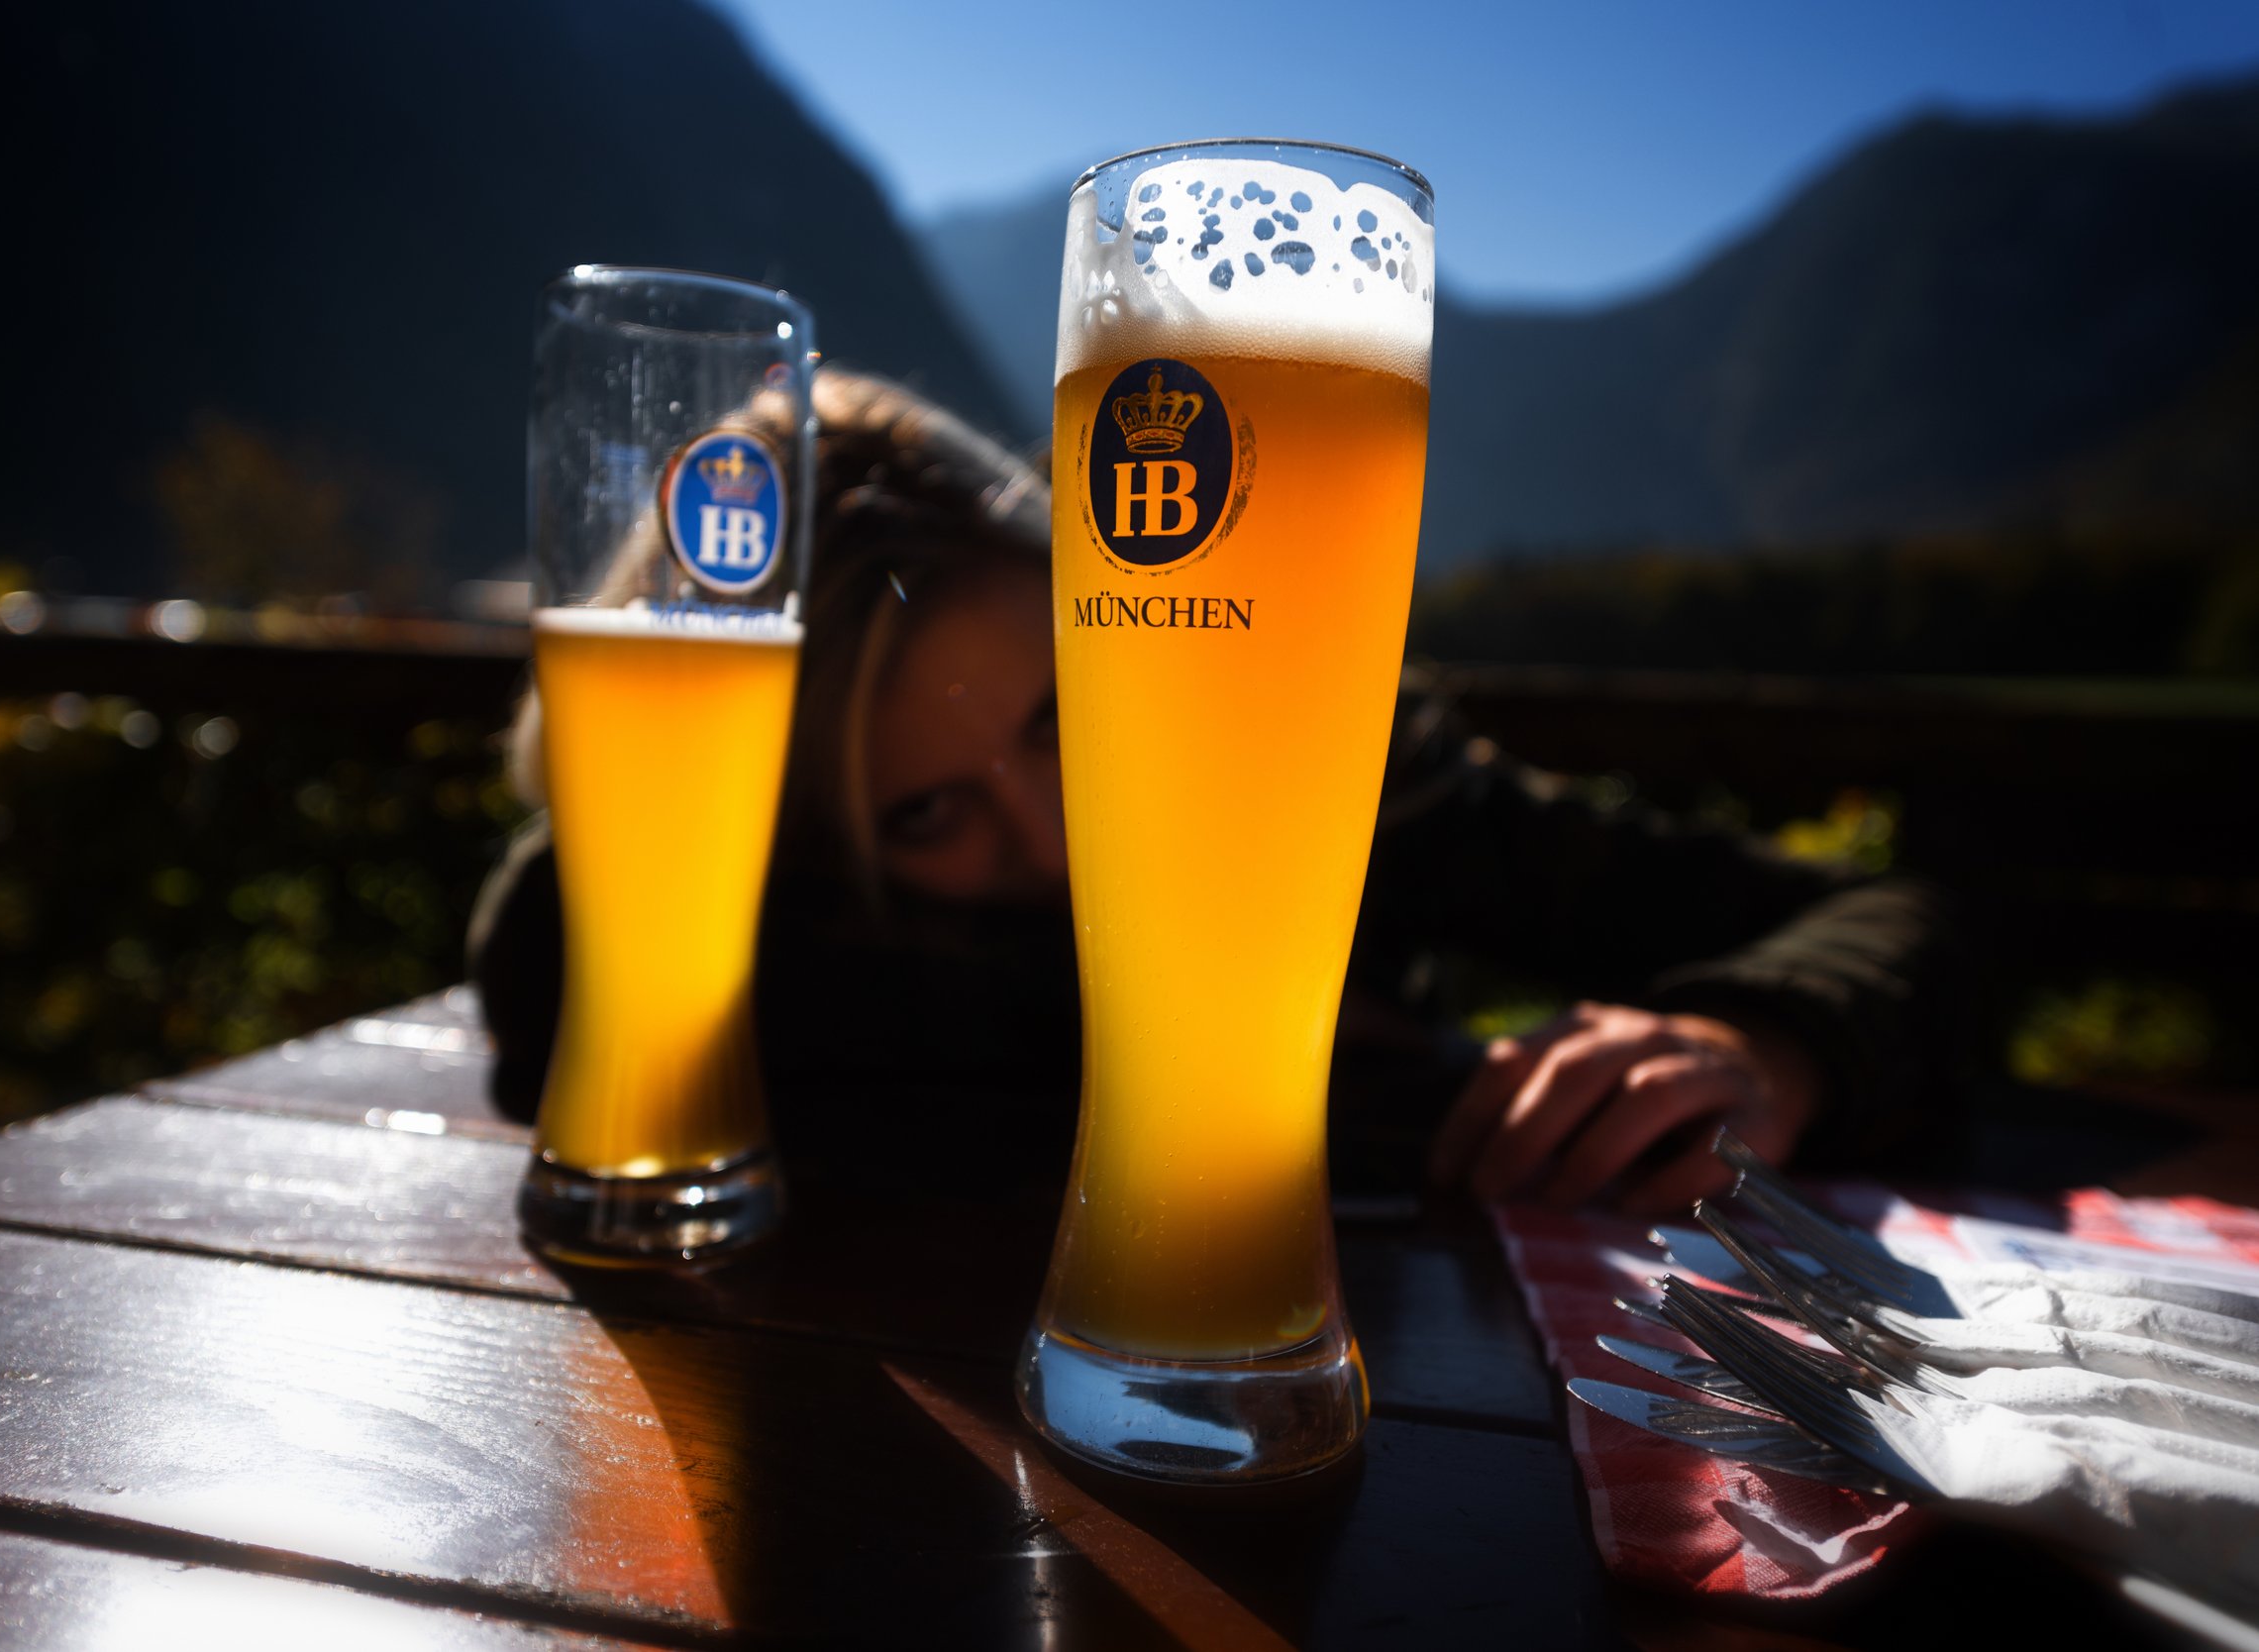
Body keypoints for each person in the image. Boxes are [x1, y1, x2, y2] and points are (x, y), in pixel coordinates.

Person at [469, 369, 1965, 1216]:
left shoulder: (1332, 787)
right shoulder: (717, 928)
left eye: (1063, 721)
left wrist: (1762, 1046)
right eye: (924, 814)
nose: (1046, 835)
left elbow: (1896, 913)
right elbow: (550, 935)